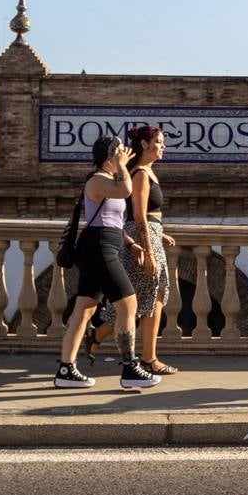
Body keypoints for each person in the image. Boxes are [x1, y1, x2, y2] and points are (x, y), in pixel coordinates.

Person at [55, 135, 159, 390]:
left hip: (106, 245)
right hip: (98, 248)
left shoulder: (109, 181)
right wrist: (122, 164)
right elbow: (126, 190)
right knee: (128, 304)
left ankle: (66, 370)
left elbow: (113, 220)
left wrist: (130, 243)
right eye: (120, 151)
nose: (125, 154)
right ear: (109, 156)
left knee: (84, 309)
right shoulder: (97, 180)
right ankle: (130, 368)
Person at [87, 125, 178, 376]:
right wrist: (148, 252)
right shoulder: (139, 174)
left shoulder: (147, 172)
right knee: (140, 299)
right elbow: (138, 216)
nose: (163, 146)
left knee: (153, 296)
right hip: (142, 239)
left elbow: (148, 215)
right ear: (145, 145)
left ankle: (139, 353)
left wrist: (159, 233)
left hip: (151, 235)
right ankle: (145, 357)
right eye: (158, 141)